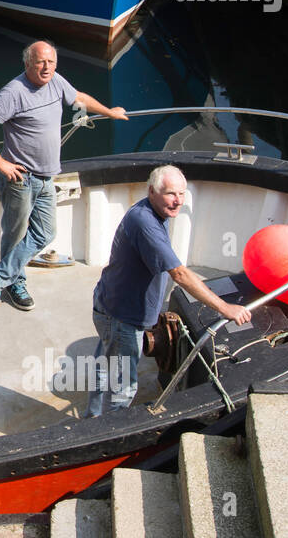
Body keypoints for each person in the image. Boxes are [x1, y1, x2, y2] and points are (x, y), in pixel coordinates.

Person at [0, 40, 126, 311]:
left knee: (45, 232)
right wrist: (1, 163)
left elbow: (78, 98)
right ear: (28, 63)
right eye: (40, 62)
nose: (46, 67)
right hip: (20, 178)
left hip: (47, 176)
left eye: (51, 62)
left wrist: (109, 112)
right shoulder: (13, 92)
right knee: (15, 234)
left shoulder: (55, 81)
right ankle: (13, 285)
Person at [86, 164, 253, 416]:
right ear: (152, 191)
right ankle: (110, 430)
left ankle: (93, 417)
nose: (177, 201)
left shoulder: (151, 212)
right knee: (123, 387)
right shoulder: (145, 223)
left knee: (105, 368)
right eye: (171, 194)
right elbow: (179, 274)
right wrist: (224, 307)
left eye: (182, 194)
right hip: (121, 318)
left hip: (110, 304)